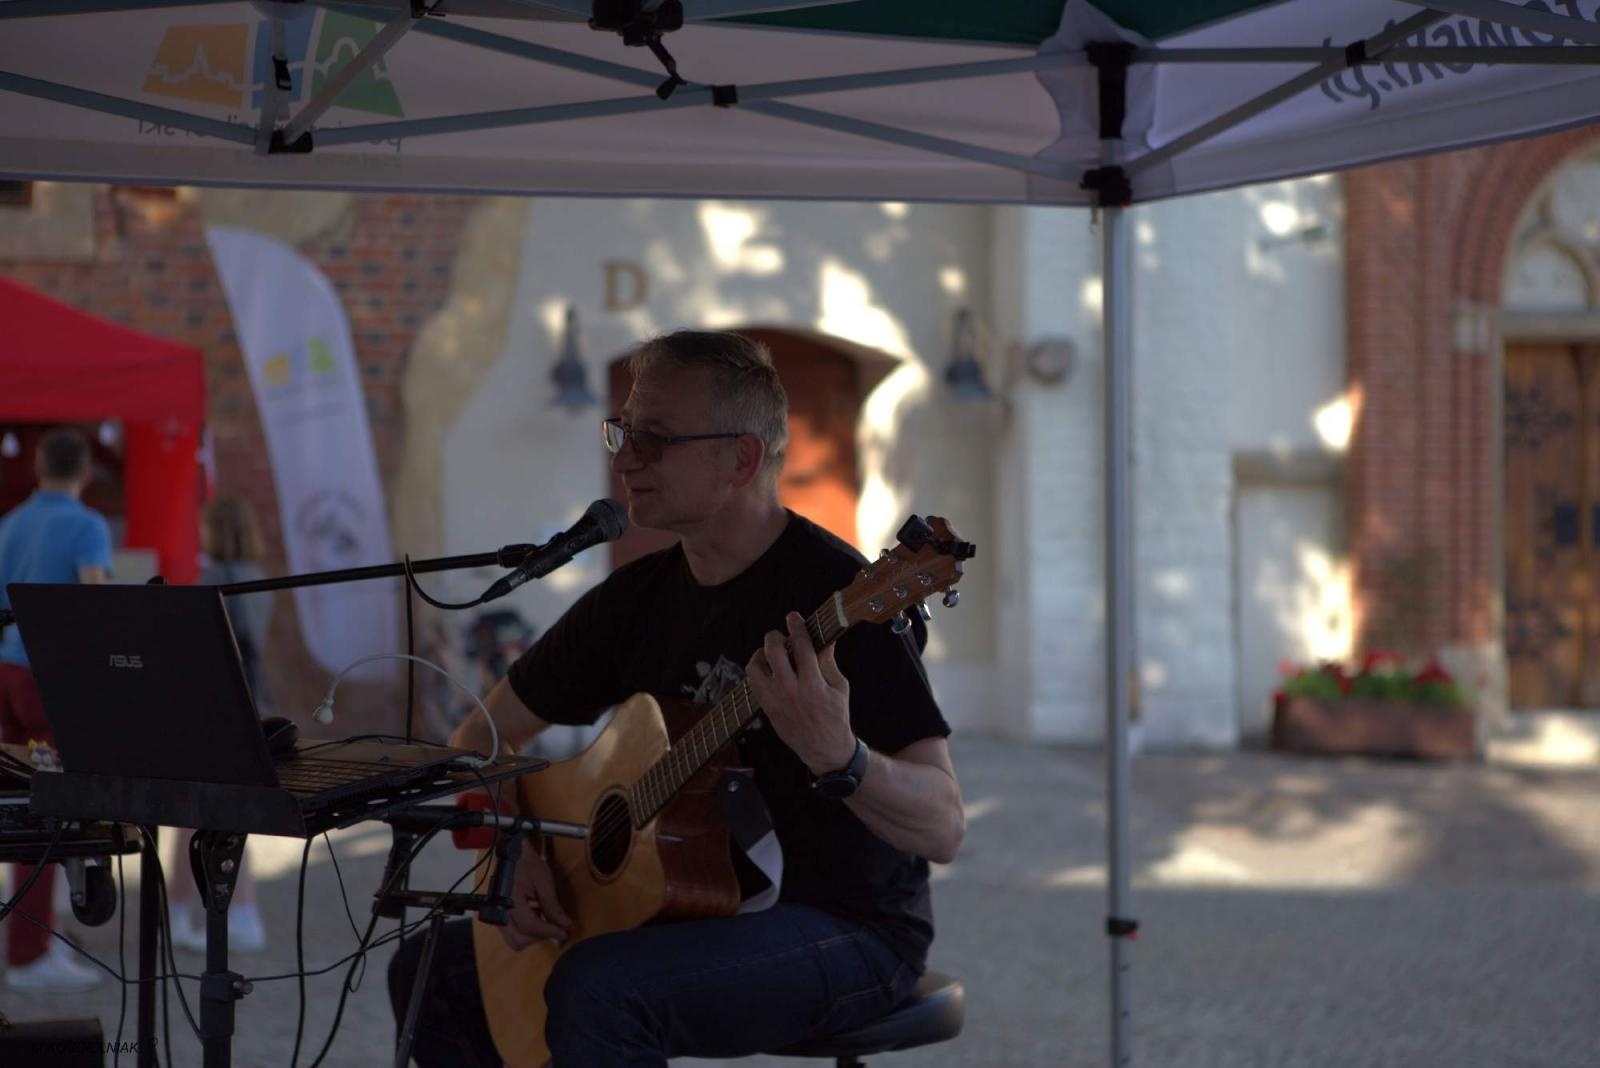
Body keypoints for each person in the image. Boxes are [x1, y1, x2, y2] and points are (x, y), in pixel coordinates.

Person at [386, 330, 966, 1066]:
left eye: (654, 439)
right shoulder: (635, 598)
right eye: (624, 431)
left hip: (845, 926)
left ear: (742, 459)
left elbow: (944, 828)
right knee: (431, 967)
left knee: (601, 988)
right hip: (688, 904)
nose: (624, 458)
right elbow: (479, 735)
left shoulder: (844, 603)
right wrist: (515, 848)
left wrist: (840, 756)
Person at [0, 428, 111, 993]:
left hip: (7, 676)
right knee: (53, 811)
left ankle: (39, 935)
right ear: (86, 469)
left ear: (38, 466)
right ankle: (30, 950)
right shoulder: (88, 526)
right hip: (51, 683)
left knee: (19, 806)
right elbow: (93, 603)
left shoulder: (10, 523)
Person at [167, 497, 276, 954]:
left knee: (189, 817)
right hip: (250, 707)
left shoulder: (209, 583)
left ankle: (177, 913)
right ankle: (242, 913)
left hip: (207, 709)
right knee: (232, 816)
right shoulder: (263, 582)